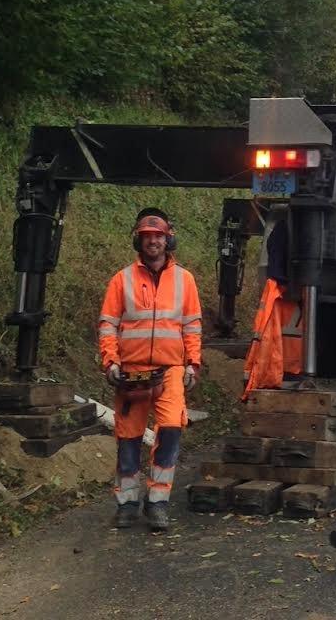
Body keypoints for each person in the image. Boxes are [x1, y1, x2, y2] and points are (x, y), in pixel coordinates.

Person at [97, 208, 202, 531]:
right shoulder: (122, 279)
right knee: (128, 438)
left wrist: (192, 363)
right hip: (132, 371)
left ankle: (157, 503)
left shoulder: (185, 280)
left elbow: (192, 326)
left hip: (170, 370)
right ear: (138, 241)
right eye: (147, 237)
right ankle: (127, 503)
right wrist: (111, 361)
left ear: (168, 239)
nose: (153, 241)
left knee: (170, 429)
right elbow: (108, 325)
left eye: (157, 236)